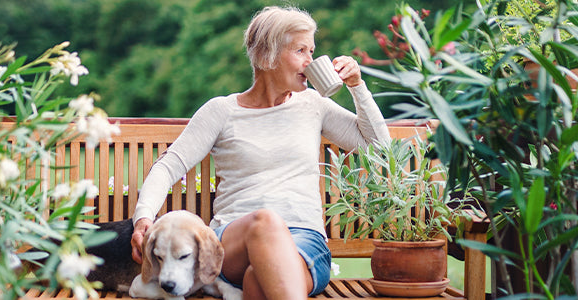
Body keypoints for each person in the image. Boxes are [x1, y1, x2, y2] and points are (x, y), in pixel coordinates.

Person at [129, 6, 391, 300]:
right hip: (235, 242)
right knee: (266, 222)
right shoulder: (222, 112)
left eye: (312, 51)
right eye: (300, 50)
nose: (311, 60)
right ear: (267, 56)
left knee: (257, 282)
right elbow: (168, 167)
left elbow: (379, 149)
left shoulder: (313, 105)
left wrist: (357, 86)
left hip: (305, 241)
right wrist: (142, 220)